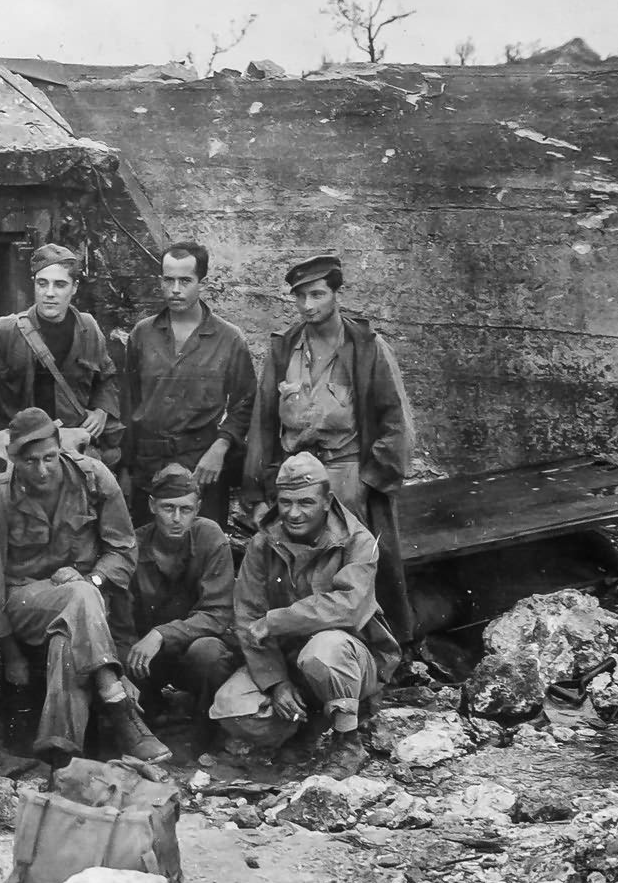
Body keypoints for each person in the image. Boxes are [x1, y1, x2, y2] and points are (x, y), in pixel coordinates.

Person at [0, 407, 164, 767]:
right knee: (79, 598)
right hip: (23, 602)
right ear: (14, 460)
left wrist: (93, 580)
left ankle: (60, 747)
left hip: (88, 599)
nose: (41, 470)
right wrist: (10, 653)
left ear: (62, 450)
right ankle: (120, 708)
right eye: (29, 461)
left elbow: (123, 550)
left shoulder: (93, 479)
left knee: (69, 629)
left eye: (49, 458)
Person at [243, 254, 414, 638]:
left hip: (346, 471)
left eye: (317, 294)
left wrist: (368, 482)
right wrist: (256, 492)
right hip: (295, 476)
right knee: (295, 565)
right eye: (300, 296)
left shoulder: (367, 347)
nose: (308, 305)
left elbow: (396, 423)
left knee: (353, 566)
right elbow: (263, 424)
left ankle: (369, 651)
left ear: (336, 294)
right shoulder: (284, 348)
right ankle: (293, 646)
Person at [212, 452, 400, 779]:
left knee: (323, 651)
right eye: (285, 503)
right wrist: (277, 683)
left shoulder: (358, 541)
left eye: (306, 503)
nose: (294, 514)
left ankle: (347, 741)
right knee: (231, 708)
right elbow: (248, 617)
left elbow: (349, 607)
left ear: (327, 500)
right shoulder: (262, 544)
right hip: (288, 662)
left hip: (350, 658)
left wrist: (277, 621)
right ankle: (303, 730)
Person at [121, 241, 256, 527]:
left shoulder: (229, 339)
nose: (175, 289)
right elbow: (127, 405)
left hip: (202, 465)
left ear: (201, 283)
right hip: (149, 466)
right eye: (168, 280)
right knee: (149, 550)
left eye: (185, 280)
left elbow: (245, 403)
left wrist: (220, 448)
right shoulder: (142, 335)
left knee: (204, 547)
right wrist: (125, 469)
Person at [113, 464, 241, 755]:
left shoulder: (210, 538)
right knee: (119, 656)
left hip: (186, 651)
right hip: (143, 659)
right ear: (151, 506)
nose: (176, 519)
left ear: (197, 509)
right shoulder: (133, 546)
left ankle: (207, 731)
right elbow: (119, 622)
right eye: (167, 508)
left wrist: (161, 634)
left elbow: (217, 613)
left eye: (185, 510)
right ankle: (146, 720)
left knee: (209, 652)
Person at [0, 242, 122, 467]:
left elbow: (106, 378)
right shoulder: (2, 331)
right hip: (18, 452)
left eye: (60, 284)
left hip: (71, 448)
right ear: (34, 284)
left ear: (74, 287)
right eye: (42, 283)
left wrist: (102, 410)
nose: (50, 293)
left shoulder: (88, 328)